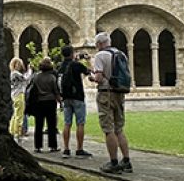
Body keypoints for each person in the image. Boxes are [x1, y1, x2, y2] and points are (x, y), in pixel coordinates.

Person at [91, 31, 133, 173]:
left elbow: (98, 77)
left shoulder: (100, 56)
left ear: (100, 44)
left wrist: (91, 77)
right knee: (119, 128)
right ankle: (126, 161)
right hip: (120, 93)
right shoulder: (121, 54)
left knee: (108, 129)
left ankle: (114, 162)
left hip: (106, 94)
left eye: (97, 44)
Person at [57, 44, 94, 158]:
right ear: (72, 53)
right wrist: (88, 60)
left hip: (66, 98)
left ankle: (66, 149)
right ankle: (79, 149)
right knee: (80, 123)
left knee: (67, 123)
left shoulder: (60, 66)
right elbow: (90, 72)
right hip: (77, 96)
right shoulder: (76, 65)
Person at [29, 57, 61, 153]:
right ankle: (53, 146)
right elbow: (56, 91)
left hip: (39, 102)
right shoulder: (52, 78)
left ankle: (37, 146)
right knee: (51, 124)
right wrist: (59, 100)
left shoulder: (36, 77)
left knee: (38, 125)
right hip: (50, 102)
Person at [9, 56, 27, 141]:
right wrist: (30, 70)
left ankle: (12, 132)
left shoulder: (12, 73)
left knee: (14, 115)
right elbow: (26, 79)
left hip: (13, 95)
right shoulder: (16, 73)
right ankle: (17, 134)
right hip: (19, 94)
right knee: (19, 115)